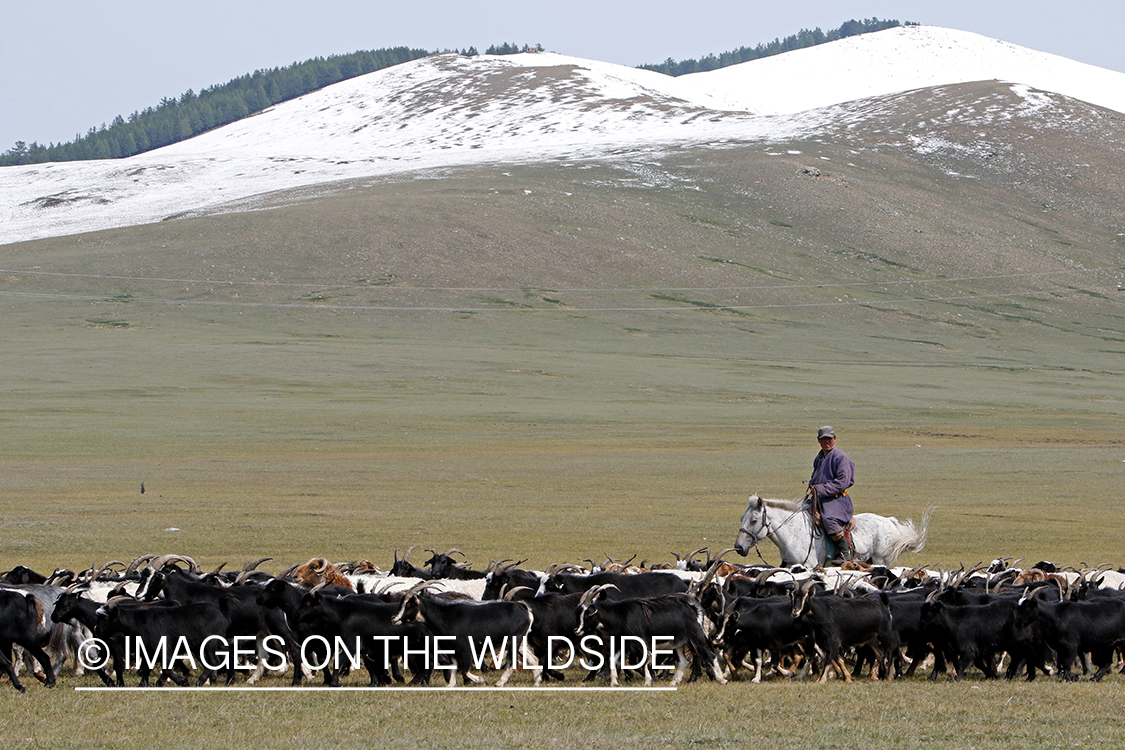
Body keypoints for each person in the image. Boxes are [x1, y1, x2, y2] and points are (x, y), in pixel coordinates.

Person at [806, 425, 855, 561]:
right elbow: (816, 476)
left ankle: (844, 553)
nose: (827, 442)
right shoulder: (819, 457)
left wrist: (820, 489)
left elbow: (842, 483)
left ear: (834, 439)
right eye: (824, 439)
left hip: (837, 500)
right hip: (820, 498)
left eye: (829, 439)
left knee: (829, 519)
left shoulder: (841, 458)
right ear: (818, 440)